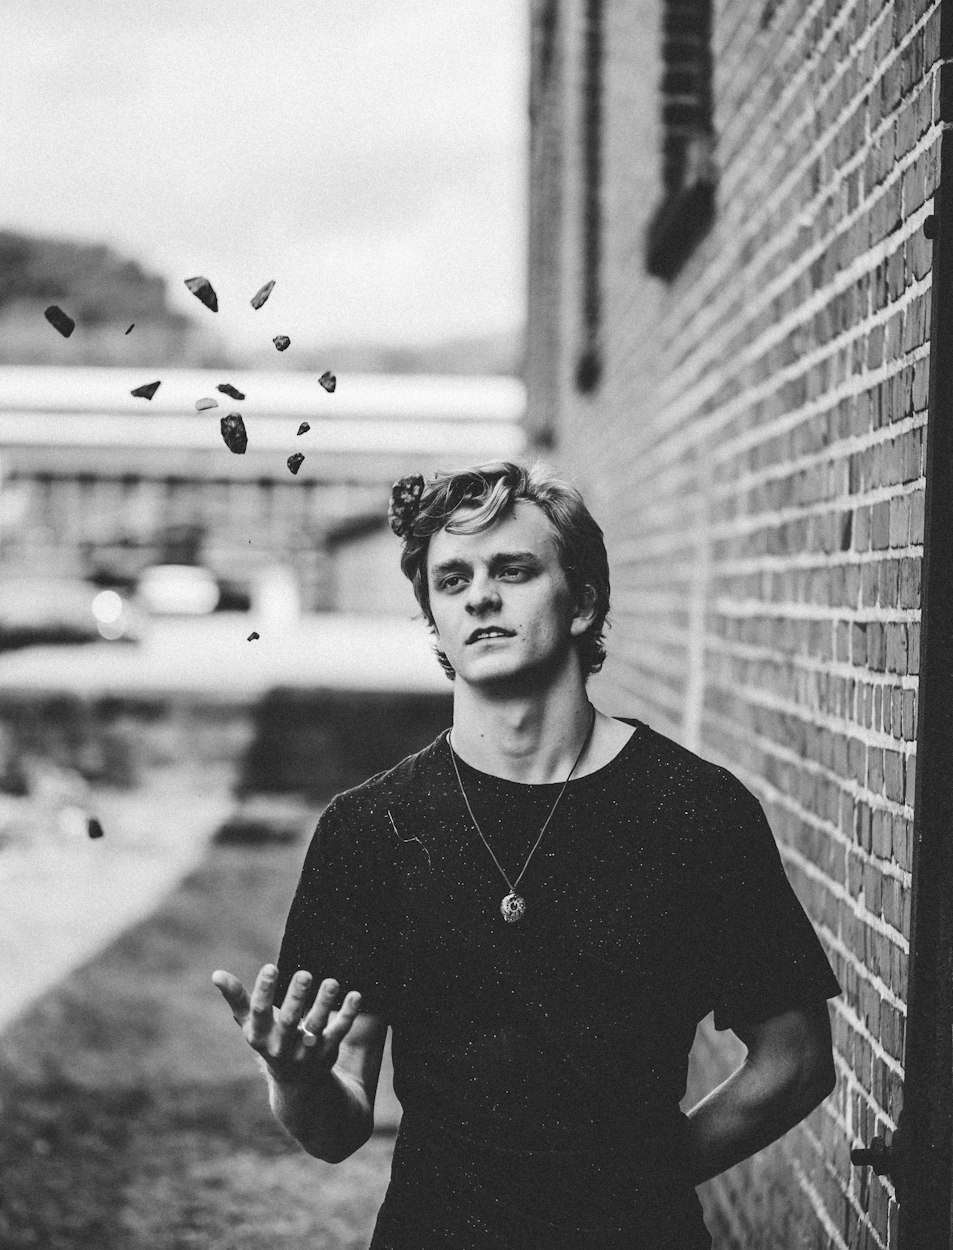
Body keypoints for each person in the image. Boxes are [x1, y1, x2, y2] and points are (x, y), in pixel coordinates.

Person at [213, 460, 841, 1248]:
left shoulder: (696, 811)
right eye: (452, 580)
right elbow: (337, 1127)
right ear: (435, 620)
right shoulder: (370, 829)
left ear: (581, 604)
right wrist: (295, 1077)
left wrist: (641, 1182)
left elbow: (797, 1060)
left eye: (512, 570)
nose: (480, 594)